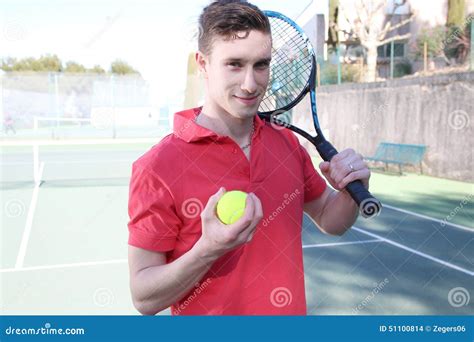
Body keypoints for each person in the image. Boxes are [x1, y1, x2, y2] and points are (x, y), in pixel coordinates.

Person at [127, 0, 370, 315]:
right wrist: (207, 250)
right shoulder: (157, 166)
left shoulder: (285, 142)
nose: (250, 83)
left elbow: (328, 217)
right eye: (234, 64)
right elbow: (144, 297)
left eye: (261, 65)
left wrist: (351, 191)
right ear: (203, 64)